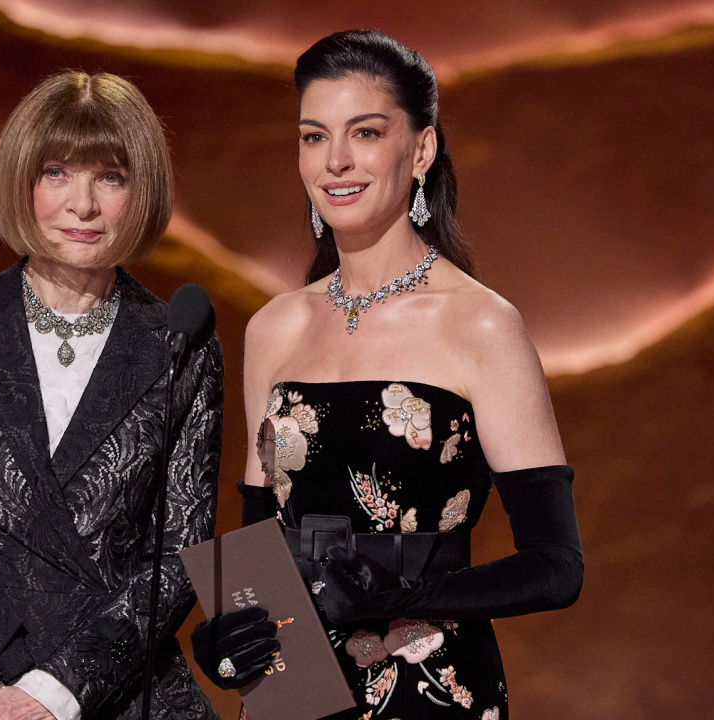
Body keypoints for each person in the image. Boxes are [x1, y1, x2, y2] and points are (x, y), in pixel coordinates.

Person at [191, 31, 583, 719]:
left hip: (430, 687)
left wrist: (401, 597)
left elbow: (556, 567)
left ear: (421, 149)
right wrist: (227, 639)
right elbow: (260, 553)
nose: (335, 160)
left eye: (365, 132)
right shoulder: (273, 328)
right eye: (314, 137)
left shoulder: (481, 324)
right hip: (293, 696)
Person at [0, 71, 223, 720]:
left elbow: (179, 555)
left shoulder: (180, 346)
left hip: (107, 685)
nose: (82, 205)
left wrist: (52, 696)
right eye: (56, 172)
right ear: (21, 181)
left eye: (110, 177)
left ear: (142, 192)